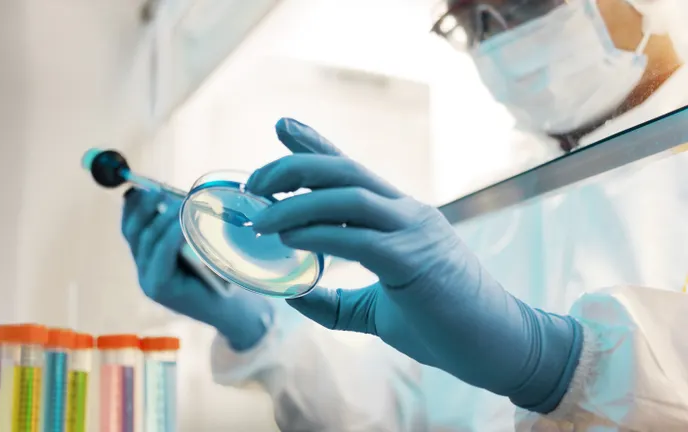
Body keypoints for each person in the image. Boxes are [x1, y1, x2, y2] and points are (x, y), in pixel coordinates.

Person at [121, 0, 688, 430]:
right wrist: (261, 331)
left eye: (521, 2)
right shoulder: (495, 198)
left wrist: (563, 366)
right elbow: (397, 410)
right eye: (473, 24)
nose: (500, 37)